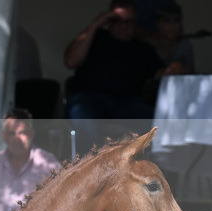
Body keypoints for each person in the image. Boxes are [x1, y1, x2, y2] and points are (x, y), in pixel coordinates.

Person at [64, 0, 169, 153]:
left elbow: (162, 74)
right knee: (84, 117)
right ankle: (95, 172)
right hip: (88, 99)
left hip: (126, 103)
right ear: (107, 20)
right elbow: (71, 61)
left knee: (155, 120)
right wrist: (94, 25)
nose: (123, 25)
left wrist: (176, 66)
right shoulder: (95, 38)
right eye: (117, 20)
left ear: (136, 24)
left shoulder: (143, 48)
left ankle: (147, 171)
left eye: (128, 22)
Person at [145, 1, 195, 74]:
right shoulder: (146, 46)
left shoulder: (184, 47)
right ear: (157, 23)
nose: (172, 26)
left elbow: (190, 76)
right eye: (166, 21)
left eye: (176, 21)